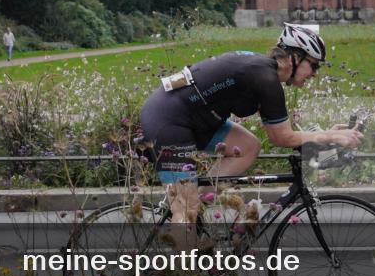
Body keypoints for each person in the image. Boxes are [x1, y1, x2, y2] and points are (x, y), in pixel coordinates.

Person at [139, 24, 363, 220]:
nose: (314, 73)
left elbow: (282, 132)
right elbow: (281, 138)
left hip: (196, 119)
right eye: (314, 65)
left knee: (248, 147)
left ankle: (194, 201)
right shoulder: (265, 78)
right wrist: (330, 136)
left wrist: (322, 136)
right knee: (186, 211)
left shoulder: (263, 73)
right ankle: (180, 266)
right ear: (295, 58)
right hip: (169, 121)